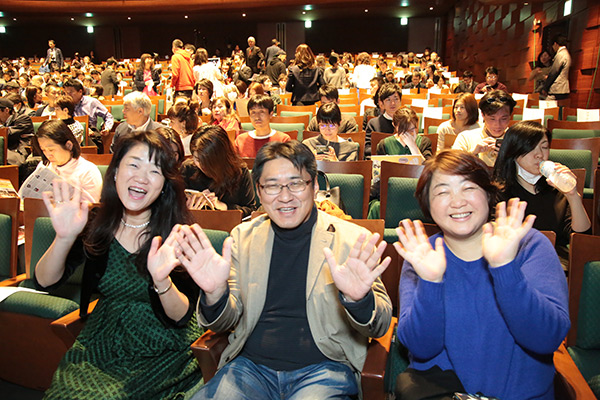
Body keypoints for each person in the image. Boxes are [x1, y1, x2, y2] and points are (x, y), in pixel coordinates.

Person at [180, 140, 392, 400]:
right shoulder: (243, 238)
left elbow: (381, 326)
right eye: (272, 186)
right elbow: (224, 322)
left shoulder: (352, 240)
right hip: (250, 369)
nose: (284, 196)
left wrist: (359, 301)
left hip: (325, 370)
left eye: (296, 183)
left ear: (314, 186)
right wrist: (215, 294)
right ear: (259, 192)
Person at [34, 130, 203, 399]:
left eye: (154, 171)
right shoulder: (95, 222)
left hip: (163, 343)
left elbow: (181, 317)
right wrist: (64, 238)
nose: (141, 178)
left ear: (164, 185)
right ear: (115, 172)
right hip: (103, 338)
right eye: (134, 165)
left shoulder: (176, 232)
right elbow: (45, 281)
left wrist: (162, 281)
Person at [393, 150, 570, 399]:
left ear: (488, 194)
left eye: (468, 188)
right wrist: (431, 283)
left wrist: (505, 268)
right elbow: (421, 348)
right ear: (428, 205)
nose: (457, 202)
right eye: (442, 192)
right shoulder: (421, 255)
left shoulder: (529, 245)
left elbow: (547, 338)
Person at [493, 120, 590, 262]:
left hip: (555, 263)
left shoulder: (556, 189)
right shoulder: (498, 193)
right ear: (514, 152)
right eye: (530, 148)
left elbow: (583, 238)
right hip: (515, 262)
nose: (539, 154)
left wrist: (572, 195)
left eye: (544, 147)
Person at [181, 125, 256, 217]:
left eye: (208, 161)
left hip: (229, 225)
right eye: (197, 159)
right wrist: (187, 209)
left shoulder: (239, 172)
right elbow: (173, 206)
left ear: (221, 157)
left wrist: (223, 206)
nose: (202, 165)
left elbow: (251, 210)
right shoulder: (188, 169)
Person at [25, 120, 102, 202]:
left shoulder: (88, 171)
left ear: (68, 145)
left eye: (51, 150)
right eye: (43, 150)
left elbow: (91, 206)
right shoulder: (44, 166)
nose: (48, 155)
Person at [452, 89, 516, 166]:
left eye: (504, 119)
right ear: (483, 115)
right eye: (492, 119)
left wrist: (507, 157)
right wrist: (472, 154)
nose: (497, 125)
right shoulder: (465, 138)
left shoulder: (517, 140)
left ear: (510, 116)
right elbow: (451, 167)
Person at [63, 78, 114, 152]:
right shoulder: (65, 105)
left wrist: (107, 128)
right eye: (66, 93)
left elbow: (108, 116)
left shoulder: (92, 102)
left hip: (90, 136)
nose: (68, 95)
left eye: (71, 92)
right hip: (70, 136)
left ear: (80, 91)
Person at [365, 82, 402, 158]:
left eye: (396, 99)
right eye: (388, 100)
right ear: (381, 103)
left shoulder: (407, 122)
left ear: (400, 101)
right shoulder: (374, 123)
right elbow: (367, 149)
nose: (393, 103)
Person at [0, 96, 34, 166]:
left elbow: (8, 133)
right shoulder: (4, 123)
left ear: (6, 110)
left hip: (18, 153)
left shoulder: (23, 119)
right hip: (7, 151)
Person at [542, 35, 571, 104]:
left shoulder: (560, 54)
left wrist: (545, 88)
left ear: (555, 44)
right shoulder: (566, 53)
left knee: (547, 107)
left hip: (557, 89)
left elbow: (553, 72)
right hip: (563, 88)